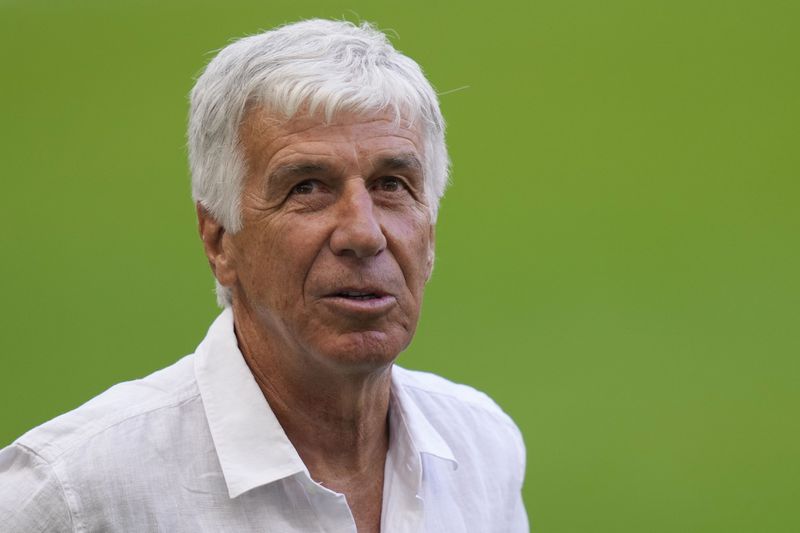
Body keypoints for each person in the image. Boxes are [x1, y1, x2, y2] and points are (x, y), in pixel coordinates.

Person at [0, 19, 527, 532]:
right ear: (219, 240)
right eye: (307, 188)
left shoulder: (481, 448)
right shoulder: (72, 492)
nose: (364, 234)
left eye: (392, 184)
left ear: (430, 234)